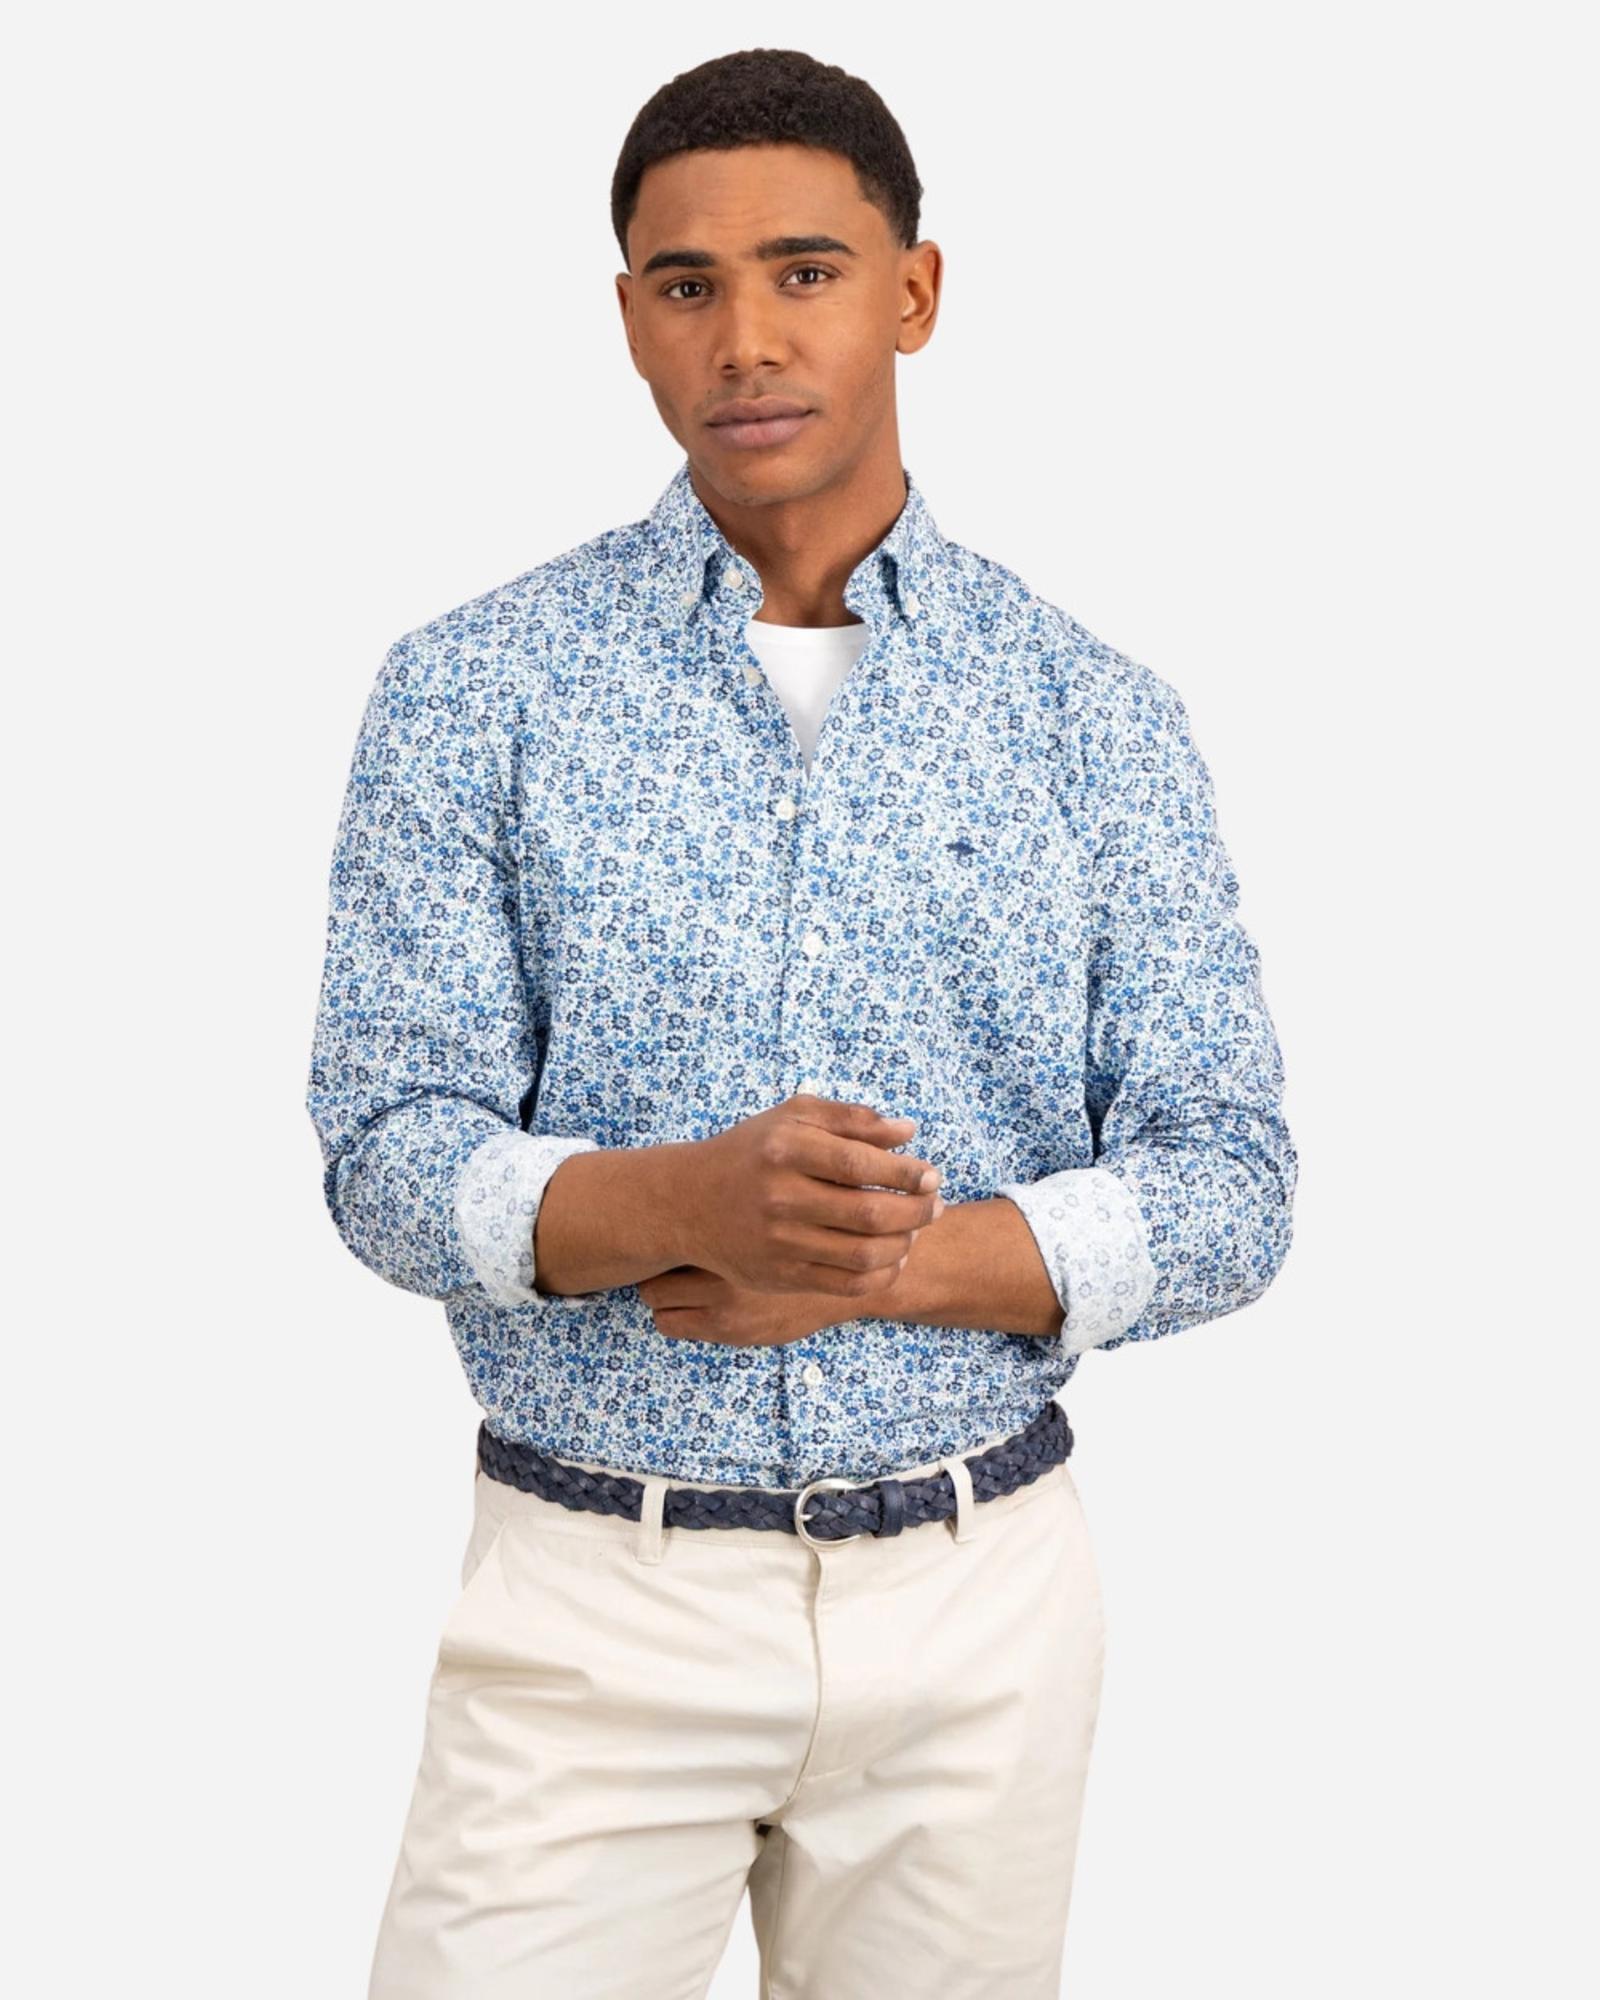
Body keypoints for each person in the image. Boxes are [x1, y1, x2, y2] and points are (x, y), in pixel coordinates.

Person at [305, 43, 1297, 2000]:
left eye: (804, 271)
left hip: (981, 1616)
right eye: (688, 285)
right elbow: (387, 1153)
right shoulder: (470, 692)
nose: (745, 337)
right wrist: (681, 1203)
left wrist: (876, 1267)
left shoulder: (1091, 714)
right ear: (628, 321)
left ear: (912, 292)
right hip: (595, 1607)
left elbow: (1231, 1181)